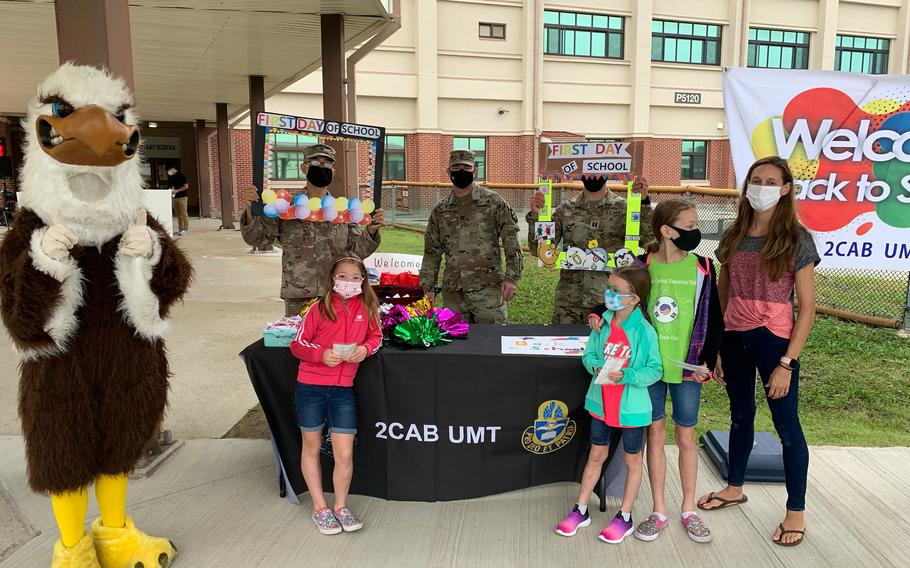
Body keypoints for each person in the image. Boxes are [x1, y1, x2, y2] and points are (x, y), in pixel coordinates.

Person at [697, 156, 819, 547]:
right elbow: (723, 292)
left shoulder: (796, 238)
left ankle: (795, 511)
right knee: (739, 416)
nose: (761, 187)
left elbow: (808, 307)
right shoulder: (733, 234)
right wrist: (715, 346)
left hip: (775, 342)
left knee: (787, 427)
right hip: (735, 338)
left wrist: (787, 362)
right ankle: (734, 487)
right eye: (756, 180)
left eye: (770, 181)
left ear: (784, 189)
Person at [589, 199, 723, 543]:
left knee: (686, 436)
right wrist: (595, 315)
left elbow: (714, 319)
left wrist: (707, 360)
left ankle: (689, 508)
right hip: (646, 371)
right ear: (666, 230)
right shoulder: (642, 265)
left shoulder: (704, 267)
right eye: (690, 226)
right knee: (655, 437)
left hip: (687, 370)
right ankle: (659, 509)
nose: (696, 232)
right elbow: (616, 296)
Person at [556, 266, 662, 544]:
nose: (609, 294)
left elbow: (655, 370)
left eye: (616, 291)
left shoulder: (645, 332)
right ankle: (581, 509)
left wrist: (628, 376)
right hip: (601, 403)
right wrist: (595, 365)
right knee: (595, 455)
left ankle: (625, 516)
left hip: (632, 409)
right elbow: (588, 354)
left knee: (632, 460)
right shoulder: (601, 323)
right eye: (609, 288)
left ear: (634, 299)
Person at [289, 253, 382, 535]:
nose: (349, 282)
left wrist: (364, 350)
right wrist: (320, 355)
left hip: (343, 391)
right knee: (312, 446)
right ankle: (320, 508)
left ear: (363, 281)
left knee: (343, 453)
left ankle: (340, 506)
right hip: (311, 388)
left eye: (356, 278)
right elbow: (297, 344)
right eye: (343, 276)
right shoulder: (319, 308)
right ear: (332, 278)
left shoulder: (368, 308)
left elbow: (375, 337)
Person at [241, 144, 384, 316]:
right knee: (300, 341)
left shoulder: (343, 210)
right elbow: (258, 240)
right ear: (303, 168)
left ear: (333, 171)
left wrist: (371, 231)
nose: (322, 168)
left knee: (336, 340)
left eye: (327, 164)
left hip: (337, 292)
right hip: (299, 294)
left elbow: (355, 252)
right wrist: (250, 211)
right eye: (316, 163)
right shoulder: (286, 207)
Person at [527, 174, 654, 324]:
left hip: (609, 301)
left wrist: (644, 203)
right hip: (569, 302)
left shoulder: (625, 209)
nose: (593, 175)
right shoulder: (565, 210)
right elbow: (539, 250)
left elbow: (649, 241)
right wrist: (536, 217)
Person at [419, 149, 523, 323]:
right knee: (456, 345)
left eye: (466, 168)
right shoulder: (440, 210)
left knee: (491, 343)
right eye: (456, 167)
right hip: (453, 293)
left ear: (475, 171)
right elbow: (432, 253)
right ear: (448, 171)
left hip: (488, 291)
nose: (461, 171)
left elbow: (512, 242)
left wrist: (511, 278)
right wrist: (428, 287)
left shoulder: (493, 202)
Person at [168, 164, 190, 236]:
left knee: (183, 213)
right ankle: (180, 229)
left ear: (173, 168)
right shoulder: (172, 177)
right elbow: (172, 186)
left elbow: (186, 186)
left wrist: (177, 190)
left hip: (182, 197)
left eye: (169, 170)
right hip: (174, 198)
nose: (168, 172)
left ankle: (186, 229)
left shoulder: (182, 175)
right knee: (178, 214)